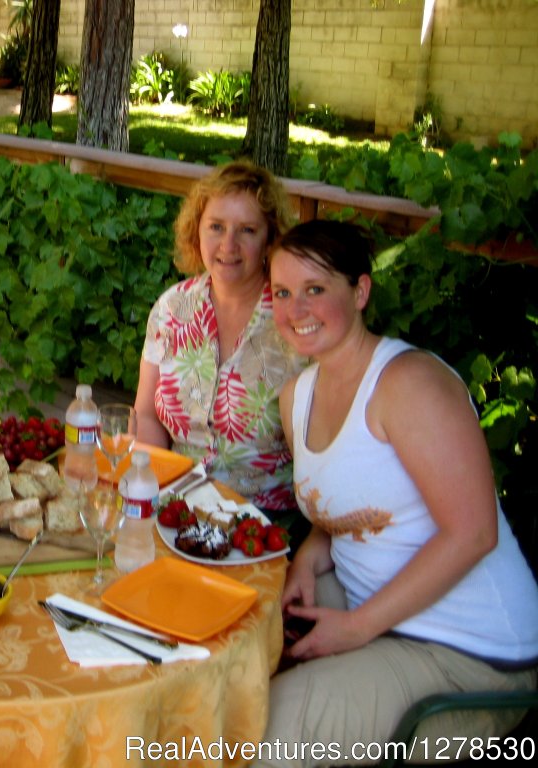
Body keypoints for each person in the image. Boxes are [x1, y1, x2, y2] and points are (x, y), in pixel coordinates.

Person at [258, 219, 538, 766]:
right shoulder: (298, 396)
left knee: (270, 728)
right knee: (252, 640)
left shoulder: (409, 384)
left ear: (359, 291)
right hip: (380, 611)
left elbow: (474, 533)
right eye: (283, 293)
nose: (296, 309)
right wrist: (307, 564)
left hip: (473, 654)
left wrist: (356, 629)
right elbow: (340, 503)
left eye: (316, 289)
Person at [135, 160, 305, 514]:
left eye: (246, 230)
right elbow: (147, 415)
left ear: (270, 239)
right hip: (174, 504)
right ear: (197, 231)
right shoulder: (171, 308)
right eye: (216, 227)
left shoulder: (295, 321)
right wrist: (150, 485)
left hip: (262, 521)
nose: (228, 244)